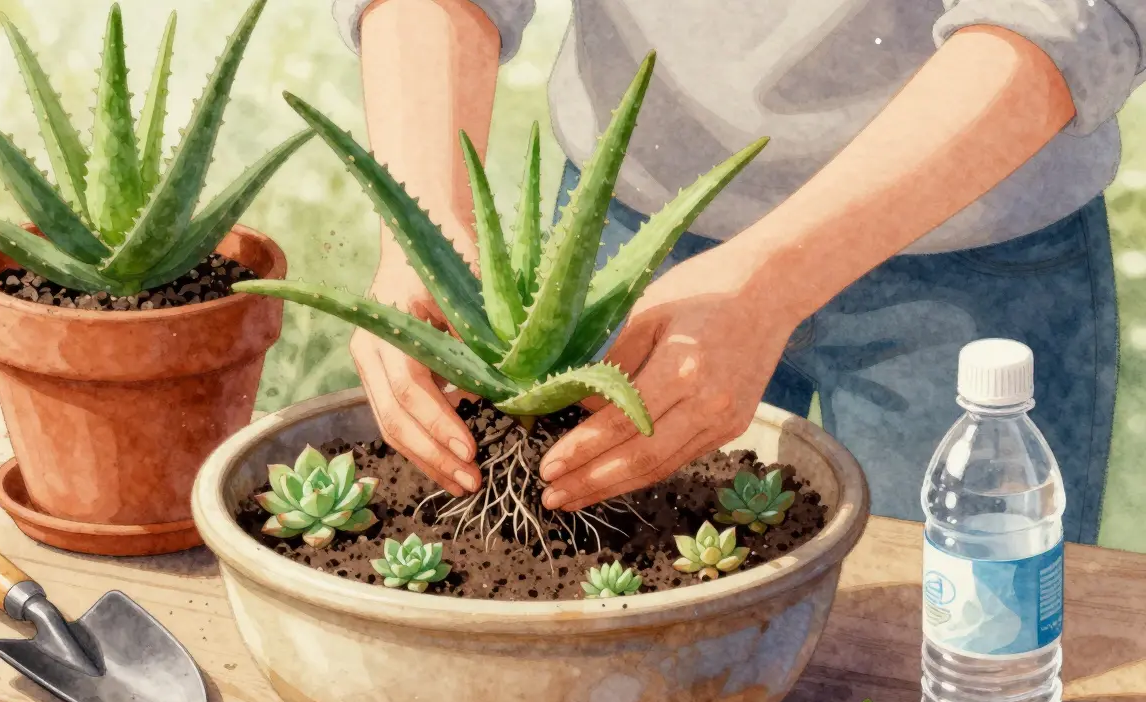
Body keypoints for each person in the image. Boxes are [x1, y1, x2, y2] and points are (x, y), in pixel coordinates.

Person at [331, 0, 1145, 544]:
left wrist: (774, 279)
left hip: (977, 242)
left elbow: (1068, 16)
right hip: (631, 231)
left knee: (962, 633)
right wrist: (423, 230)